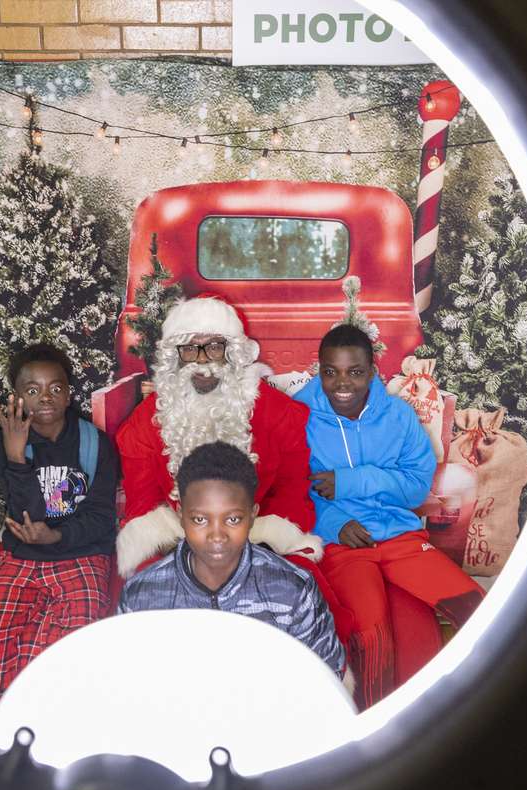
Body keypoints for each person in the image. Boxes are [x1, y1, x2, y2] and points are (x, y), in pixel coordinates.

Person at [294, 324, 485, 708]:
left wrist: (352, 481)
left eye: (355, 371)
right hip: (343, 545)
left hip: (400, 538)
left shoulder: (397, 416)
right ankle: (375, 732)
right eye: (330, 372)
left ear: (373, 371)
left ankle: (468, 710)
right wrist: (335, 524)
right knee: (372, 633)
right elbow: (293, 493)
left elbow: (416, 487)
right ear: (320, 370)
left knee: (474, 607)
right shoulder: (300, 416)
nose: (341, 383)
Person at [115, 296, 324, 579]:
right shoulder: (145, 422)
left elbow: (292, 489)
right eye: (190, 348)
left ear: (232, 352)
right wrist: (182, 546)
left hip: (257, 536)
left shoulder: (278, 412)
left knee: (295, 588)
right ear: (175, 355)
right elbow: (144, 500)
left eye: (214, 347)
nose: (202, 361)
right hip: (178, 540)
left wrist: (260, 542)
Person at [0, 343, 120, 716]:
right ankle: (3, 729)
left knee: (60, 649)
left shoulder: (95, 443)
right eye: (33, 389)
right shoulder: (8, 445)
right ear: (18, 396)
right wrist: (16, 457)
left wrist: (55, 536)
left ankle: (46, 723)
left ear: (69, 393)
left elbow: (102, 517)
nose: (45, 398)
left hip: (80, 552)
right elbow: (26, 513)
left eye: (56, 388)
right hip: (22, 555)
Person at [119, 442, 346, 679]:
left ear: (252, 515)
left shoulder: (293, 590)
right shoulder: (142, 596)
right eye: (199, 519)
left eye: (233, 520)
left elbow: (326, 682)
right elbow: (131, 685)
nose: (217, 536)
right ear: (181, 517)